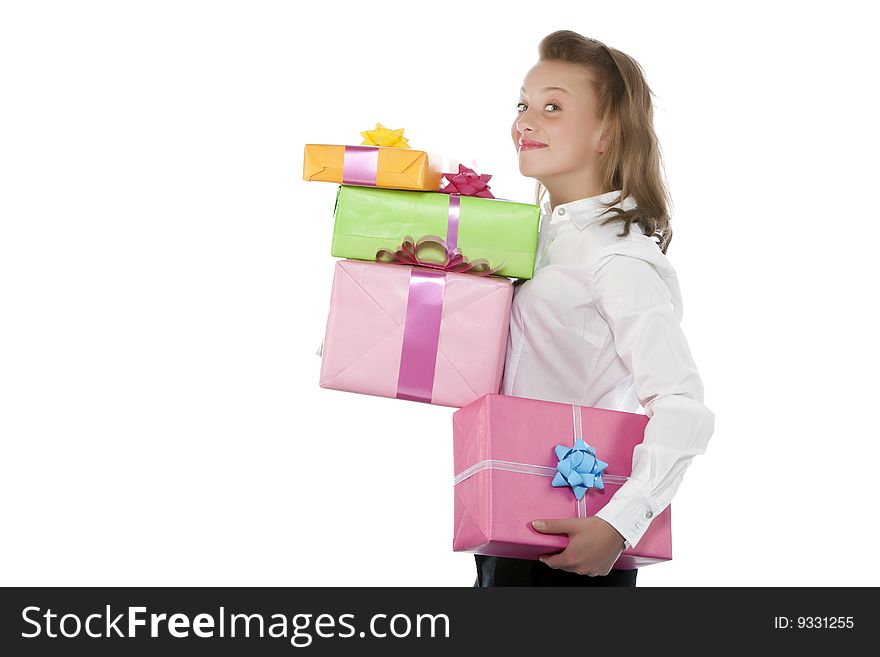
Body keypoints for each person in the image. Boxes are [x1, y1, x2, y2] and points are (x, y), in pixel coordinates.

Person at [473, 30, 716, 587]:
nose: (525, 123)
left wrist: (619, 523)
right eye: (523, 105)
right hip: (509, 516)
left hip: (578, 537)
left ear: (608, 133)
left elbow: (683, 404)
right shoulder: (539, 242)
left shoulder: (617, 258)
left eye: (553, 107)